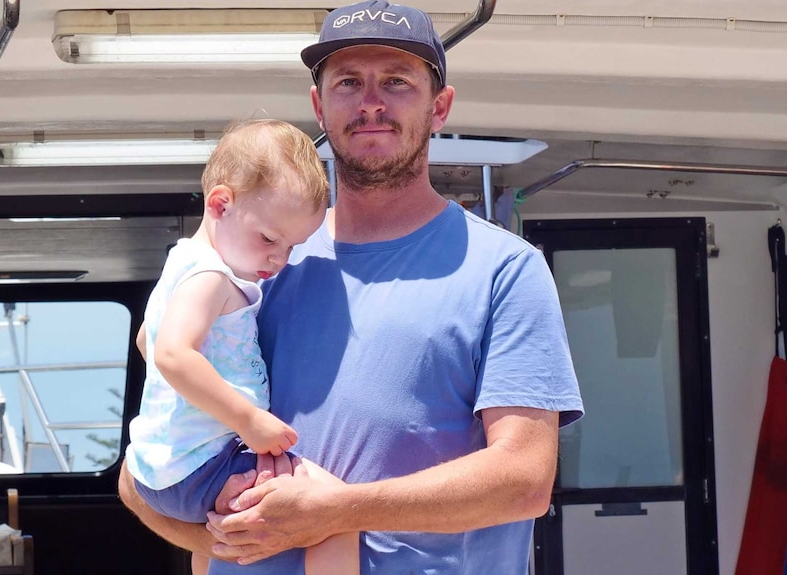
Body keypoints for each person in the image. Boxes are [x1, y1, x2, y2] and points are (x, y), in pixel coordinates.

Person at [119, 1, 584, 573]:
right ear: (319, 105)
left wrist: (338, 511)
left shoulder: (506, 270)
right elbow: (142, 475)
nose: (371, 102)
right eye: (347, 82)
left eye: (396, 81)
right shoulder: (253, 265)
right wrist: (227, 542)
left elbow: (524, 480)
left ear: (440, 107)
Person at [123, 118, 359, 575]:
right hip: (202, 466)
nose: (279, 258)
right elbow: (171, 354)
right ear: (220, 204)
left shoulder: (179, 264)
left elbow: (146, 340)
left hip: (161, 468)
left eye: (292, 246)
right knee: (336, 513)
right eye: (270, 238)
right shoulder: (211, 277)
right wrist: (248, 420)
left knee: (218, 533)